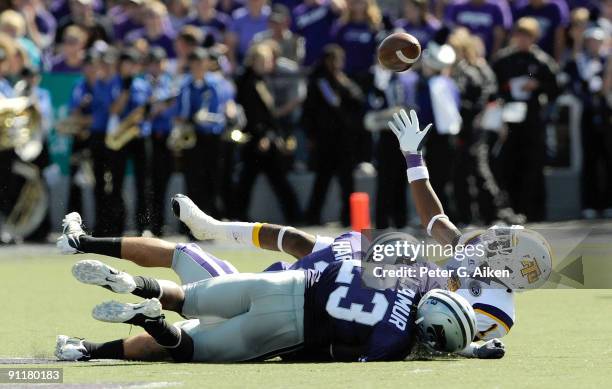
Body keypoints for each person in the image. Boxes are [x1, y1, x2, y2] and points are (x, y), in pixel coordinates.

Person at [54, 211, 498, 362]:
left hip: (277, 282)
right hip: (286, 325)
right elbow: (340, 352)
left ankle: (124, 276)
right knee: (186, 344)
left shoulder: (370, 254)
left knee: (180, 282)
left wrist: (214, 226)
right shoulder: (396, 336)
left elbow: (298, 243)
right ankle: (91, 346)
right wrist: (468, 348)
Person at [491, 17, 560, 221]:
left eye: (526, 36)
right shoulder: (504, 60)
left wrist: (537, 85)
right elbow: (492, 86)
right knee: (508, 164)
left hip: (532, 120)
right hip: (509, 121)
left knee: (533, 166)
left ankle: (534, 212)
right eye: (519, 35)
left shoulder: (541, 60)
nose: (522, 40)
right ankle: (510, 210)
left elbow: (555, 88)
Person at [234, 42, 301, 223]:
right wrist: (263, 135)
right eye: (264, 61)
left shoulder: (260, 80)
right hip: (256, 139)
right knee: (254, 179)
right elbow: (253, 113)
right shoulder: (248, 82)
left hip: (264, 137)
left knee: (267, 178)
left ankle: (293, 214)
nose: (267, 65)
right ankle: (293, 214)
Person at [303, 45, 364, 226]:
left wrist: (344, 84)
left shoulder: (344, 81)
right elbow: (311, 110)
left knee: (347, 182)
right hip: (325, 139)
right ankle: (312, 216)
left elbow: (357, 101)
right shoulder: (318, 82)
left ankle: (349, 217)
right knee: (322, 180)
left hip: (344, 139)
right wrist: (311, 135)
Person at [564, 27, 612, 219]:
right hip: (587, 113)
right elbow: (574, 82)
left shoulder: (607, 60)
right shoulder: (579, 61)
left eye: (597, 41)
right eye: (590, 40)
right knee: (589, 159)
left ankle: (609, 202)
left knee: (608, 159)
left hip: (607, 113)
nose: (593, 44)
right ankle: (590, 203)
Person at [175, 47, 225, 219]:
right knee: (193, 180)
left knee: (213, 177)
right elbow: (181, 113)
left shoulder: (214, 85)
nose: (198, 68)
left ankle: (214, 217)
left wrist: (207, 118)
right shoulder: (185, 86)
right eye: (195, 64)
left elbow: (220, 112)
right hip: (193, 136)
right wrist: (191, 119)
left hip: (211, 136)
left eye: (201, 64)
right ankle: (192, 222)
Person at [142, 47, 177, 235]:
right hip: (150, 137)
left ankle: (160, 222)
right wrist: (158, 106)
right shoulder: (143, 83)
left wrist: (159, 106)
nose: (156, 66)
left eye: (159, 62)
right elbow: (145, 110)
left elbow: (172, 109)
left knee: (164, 180)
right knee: (149, 182)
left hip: (166, 137)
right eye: (153, 62)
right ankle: (149, 223)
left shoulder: (169, 83)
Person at [66, 51, 97, 215]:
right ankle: (74, 224)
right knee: (75, 183)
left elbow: (104, 115)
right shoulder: (79, 85)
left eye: (93, 65)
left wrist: (87, 119)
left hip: (98, 138)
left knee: (100, 182)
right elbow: (73, 114)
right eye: (87, 65)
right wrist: (83, 112)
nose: (90, 69)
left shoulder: (102, 85)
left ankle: (103, 224)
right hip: (80, 138)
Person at [444, 0, 513, 57]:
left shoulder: (498, 6)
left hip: (487, 56)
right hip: (460, 56)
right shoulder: (457, 5)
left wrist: (494, 58)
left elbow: (499, 35)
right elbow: (450, 31)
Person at [291, 0, 344, 68]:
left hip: (327, 59)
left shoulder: (328, 5)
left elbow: (340, 9)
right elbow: (295, 34)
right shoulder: (298, 11)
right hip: (307, 59)